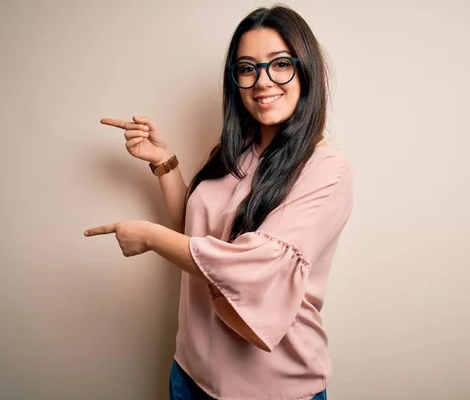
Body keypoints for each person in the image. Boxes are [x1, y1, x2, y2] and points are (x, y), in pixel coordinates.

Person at [84, 5, 353, 400]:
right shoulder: (240, 150)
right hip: (190, 374)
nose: (262, 82)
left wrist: (150, 237)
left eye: (280, 64)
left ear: (306, 69)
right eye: (247, 68)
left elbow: (249, 267)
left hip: (271, 390)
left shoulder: (326, 167)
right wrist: (164, 161)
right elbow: (195, 234)